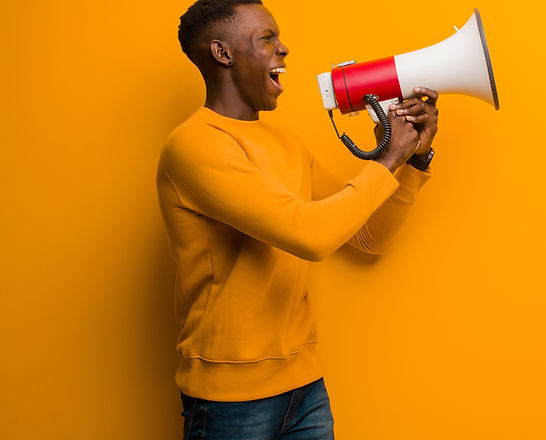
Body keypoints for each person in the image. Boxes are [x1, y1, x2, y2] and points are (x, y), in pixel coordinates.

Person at [155, 0, 439, 438]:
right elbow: (310, 235)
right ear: (223, 53)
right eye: (267, 38)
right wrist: (388, 158)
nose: (284, 49)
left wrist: (414, 161)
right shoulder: (194, 145)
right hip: (230, 399)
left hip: (305, 388)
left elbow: (367, 237)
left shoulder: (287, 143)